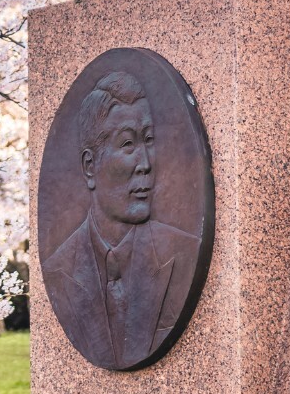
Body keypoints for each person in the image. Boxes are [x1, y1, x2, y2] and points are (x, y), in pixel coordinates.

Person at [41, 72, 199, 368]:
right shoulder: (59, 269)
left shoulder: (183, 253)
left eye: (148, 140)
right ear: (90, 167)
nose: (146, 164)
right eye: (127, 144)